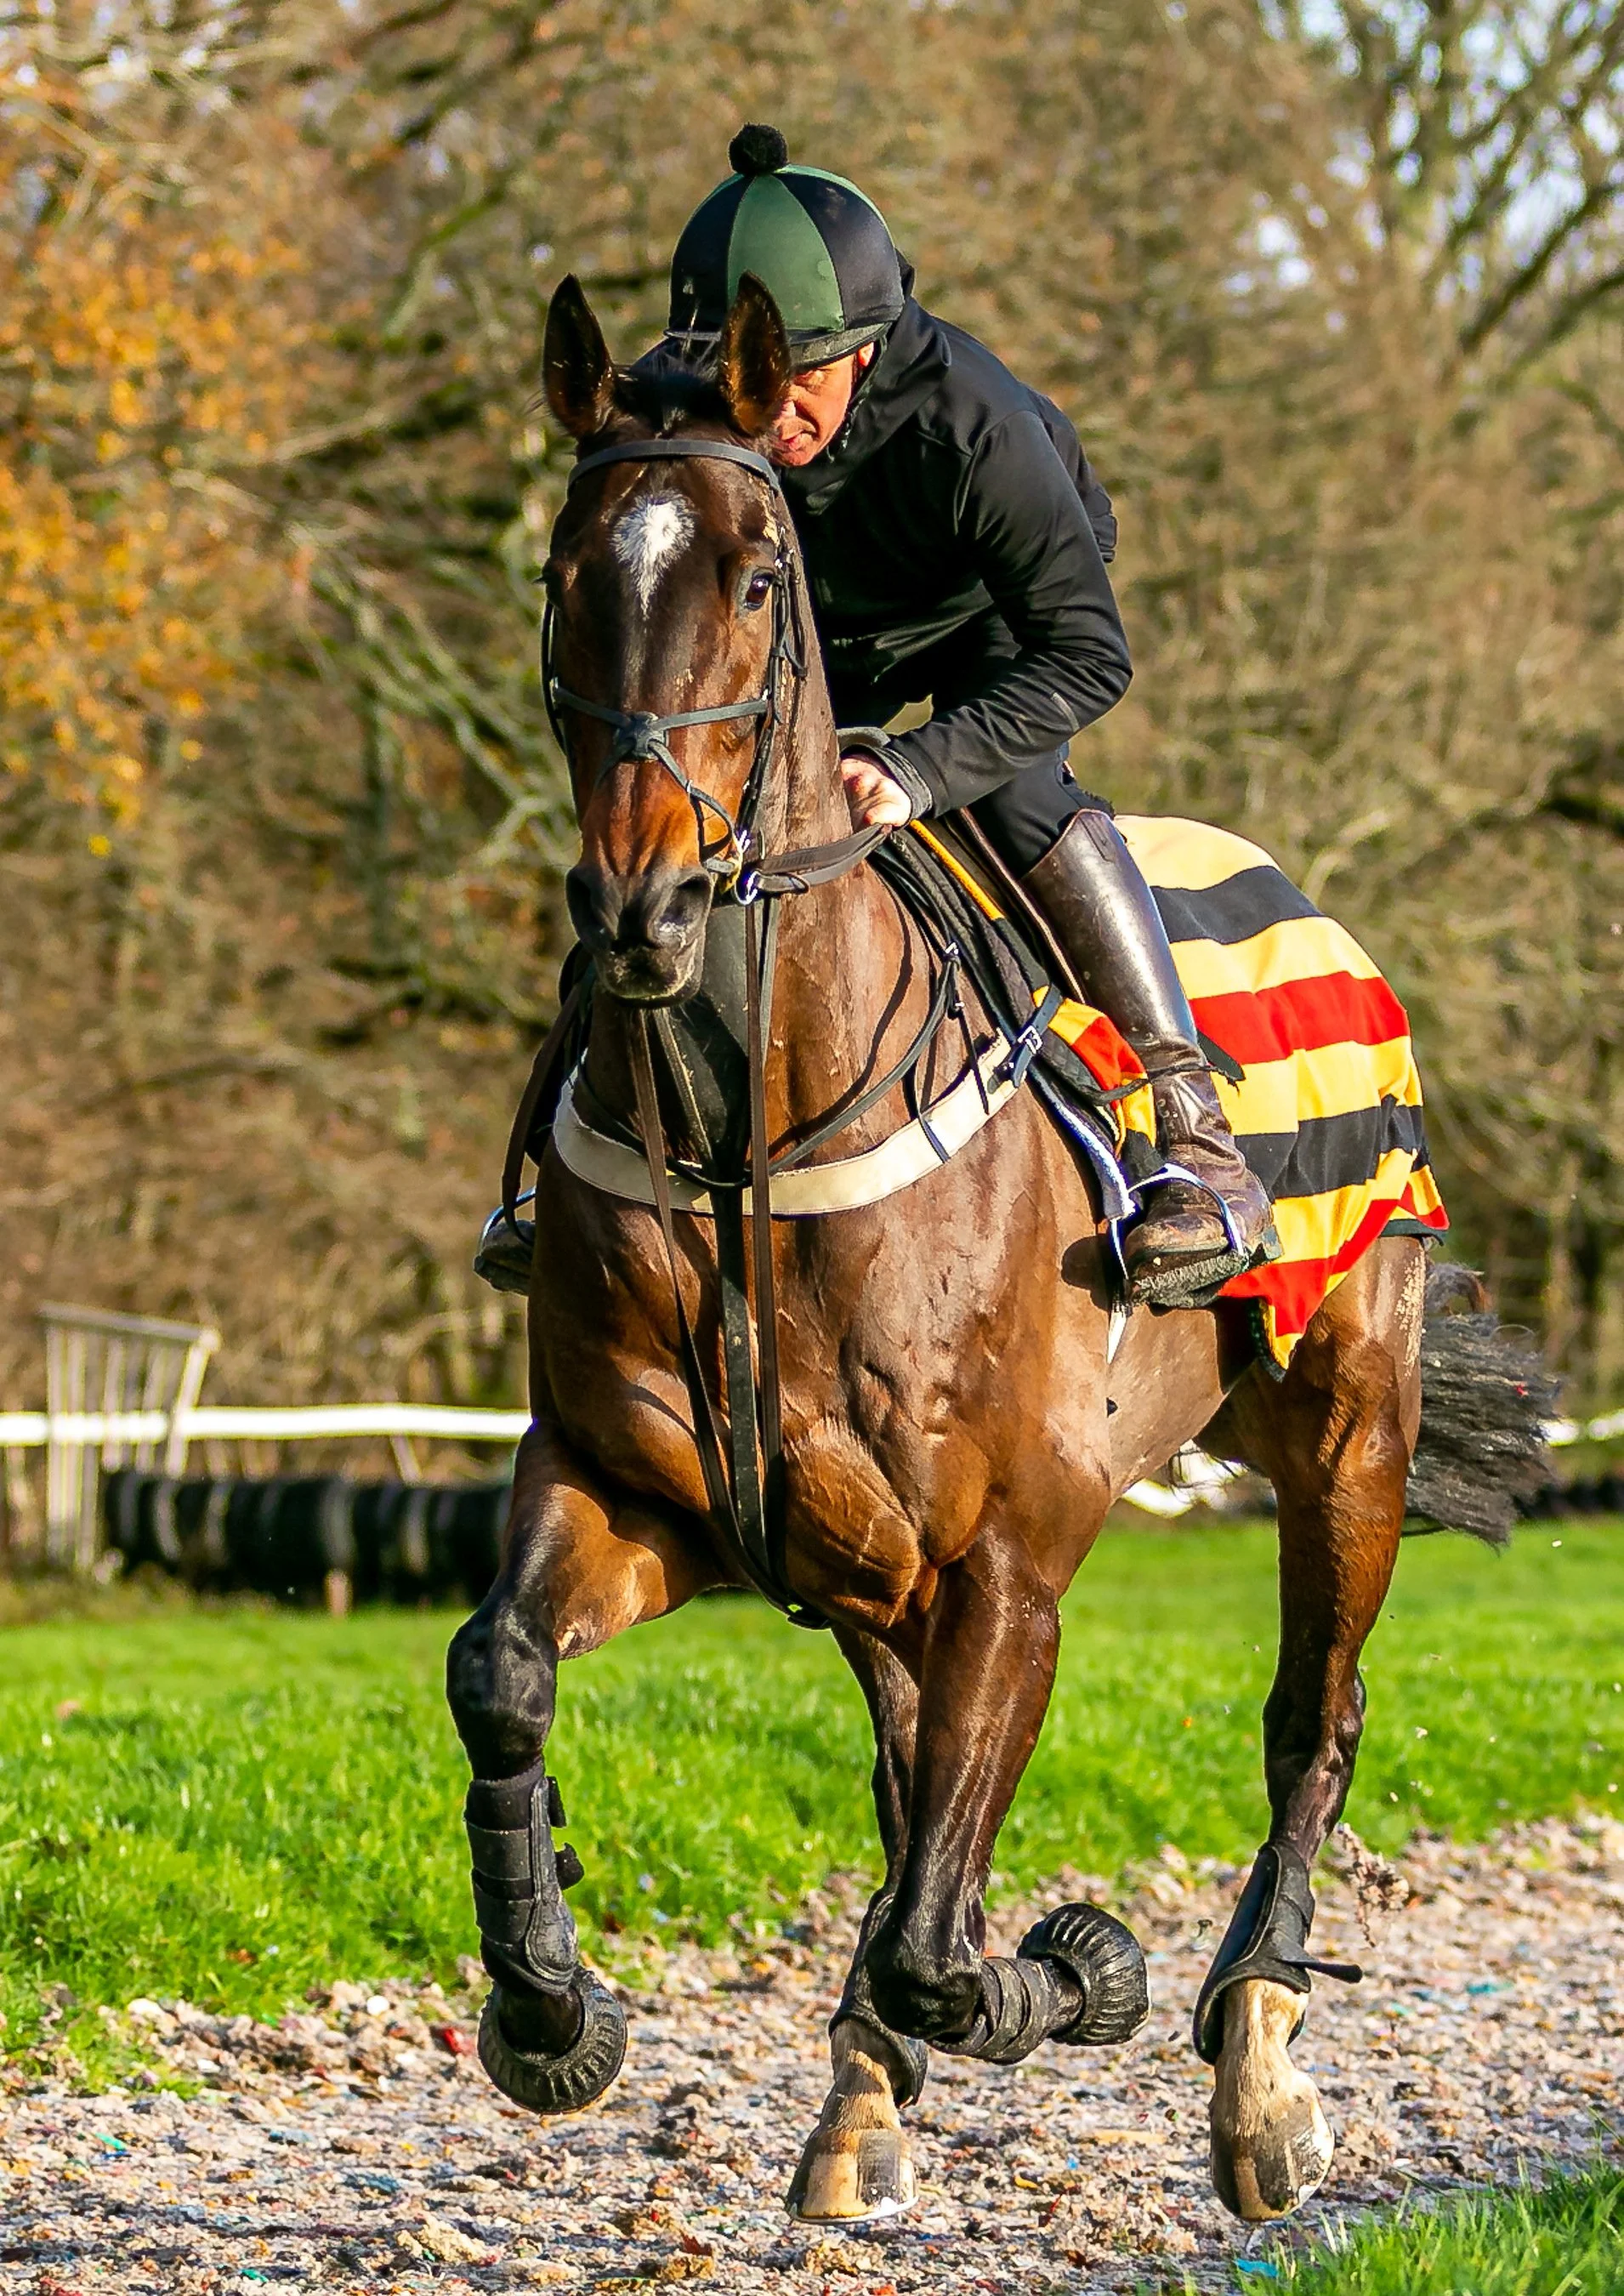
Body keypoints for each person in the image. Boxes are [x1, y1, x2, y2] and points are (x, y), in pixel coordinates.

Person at [503, 125, 1272, 1308]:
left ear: (861, 352)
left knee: (1016, 797)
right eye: (748, 374)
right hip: (806, 632)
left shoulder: (977, 432)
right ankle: (557, 1144)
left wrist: (918, 768)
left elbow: (1088, 651)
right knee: (664, 828)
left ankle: (1190, 1131)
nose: (773, 413)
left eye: (796, 380)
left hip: (989, 626)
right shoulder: (703, 390)